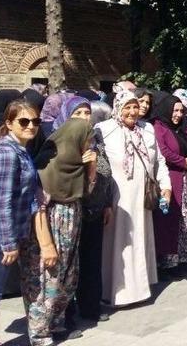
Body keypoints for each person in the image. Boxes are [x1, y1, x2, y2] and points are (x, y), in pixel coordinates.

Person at [23, 114, 94, 344]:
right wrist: (47, 244)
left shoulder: (75, 166)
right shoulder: (47, 165)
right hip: (49, 226)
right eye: (87, 140)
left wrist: (91, 166)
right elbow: (38, 208)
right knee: (47, 277)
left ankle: (56, 322)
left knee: (67, 274)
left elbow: (87, 191)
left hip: (71, 222)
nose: (88, 145)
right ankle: (39, 331)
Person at [97, 91, 172, 306]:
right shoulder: (104, 130)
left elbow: (159, 161)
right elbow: (100, 165)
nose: (132, 111)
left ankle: (139, 290)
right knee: (118, 244)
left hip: (141, 197)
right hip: (117, 198)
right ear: (118, 108)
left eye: (135, 107)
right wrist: (103, 199)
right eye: (127, 107)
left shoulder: (146, 130)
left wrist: (165, 186)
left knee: (139, 240)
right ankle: (116, 292)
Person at [0, 99, 49, 346]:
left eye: (35, 121)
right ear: (9, 123)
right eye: (24, 121)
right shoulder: (6, 153)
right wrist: (9, 243)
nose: (31, 125)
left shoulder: (20, 150)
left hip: (4, 233)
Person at [73, 101, 114, 323]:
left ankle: (91, 306)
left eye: (87, 113)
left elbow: (106, 172)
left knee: (91, 260)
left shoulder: (96, 140)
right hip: (74, 210)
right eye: (78, 113)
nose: (84, 117)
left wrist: (107, 202)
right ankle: (67, 314)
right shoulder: (65, 142)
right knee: (72, 264)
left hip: (96, 208)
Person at [151, 96, 187, 277]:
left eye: (180, 111)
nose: (178, 115)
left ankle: (179, 259)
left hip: (182, 180)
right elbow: (163, 152)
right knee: (166, 221)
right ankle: (165, 263)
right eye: (174, 111)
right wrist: (182, 161)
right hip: (169, 179)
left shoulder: (177, 129)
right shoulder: (159, 128)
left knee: (181, 220)